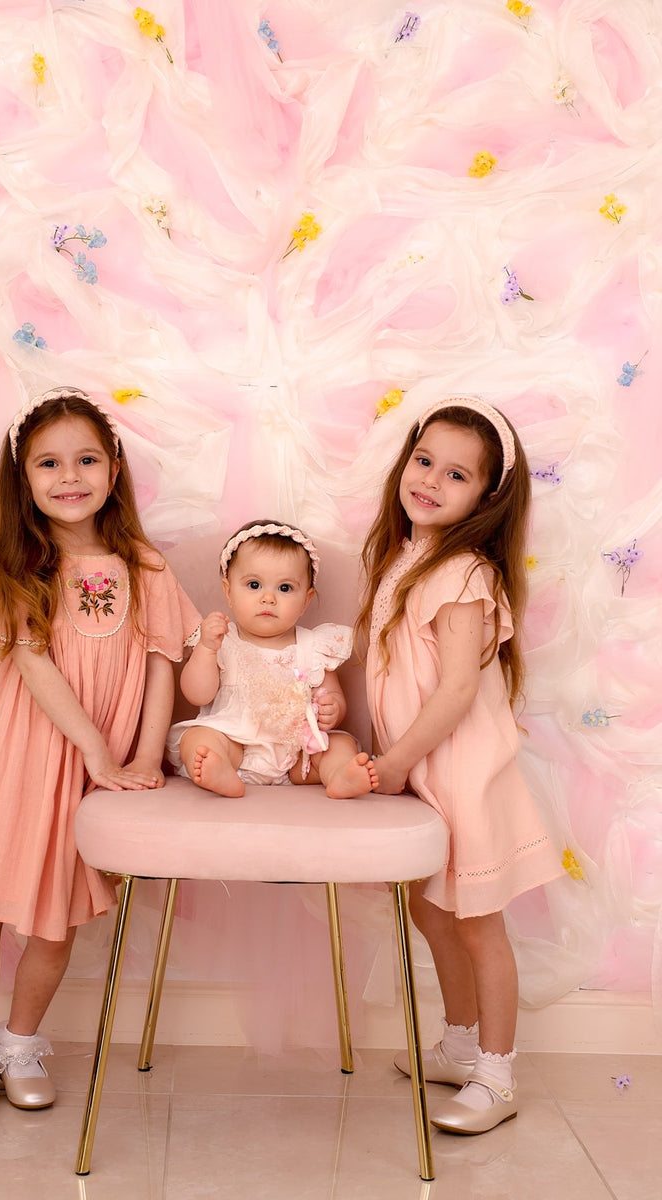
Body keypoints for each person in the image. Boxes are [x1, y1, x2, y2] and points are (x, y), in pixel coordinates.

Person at [0, 386, 199, 1115]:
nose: (69, 476)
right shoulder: (16, 567)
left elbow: (162, 663)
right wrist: (94, 751)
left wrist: (144, 757)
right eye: (48, 463)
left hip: (99, 765)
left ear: (114, 467)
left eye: (86, 459)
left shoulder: (146, 568)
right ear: (23, 478)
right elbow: (34, 664)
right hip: (16, 752)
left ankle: (21, 1040)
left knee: (58, 908)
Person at [357, 396, 563, 1135]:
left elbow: (454, 692)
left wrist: (392, 762)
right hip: (426, 772)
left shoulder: (463, 574)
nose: (431, 481)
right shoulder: (406, 560)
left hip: (464, 773)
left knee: (478, 924)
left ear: (485, 497)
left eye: (456, 475)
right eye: (424, 461)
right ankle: (460, 1042)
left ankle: (497, 1074)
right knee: (430, 907)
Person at [166, 520, 378, 799]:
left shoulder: (313, 646)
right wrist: (206, 649)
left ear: (306, 600)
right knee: (199, 739)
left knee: (338, 745)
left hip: (296, 754)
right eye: (254, 585)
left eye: (285, 588)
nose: (268, 598)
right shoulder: (222, 640)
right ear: (228, 592)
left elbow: (333, 695)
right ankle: (220, 771)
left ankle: (339, 774)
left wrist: (333, 709)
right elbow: (197, 695)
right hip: (234, 744)